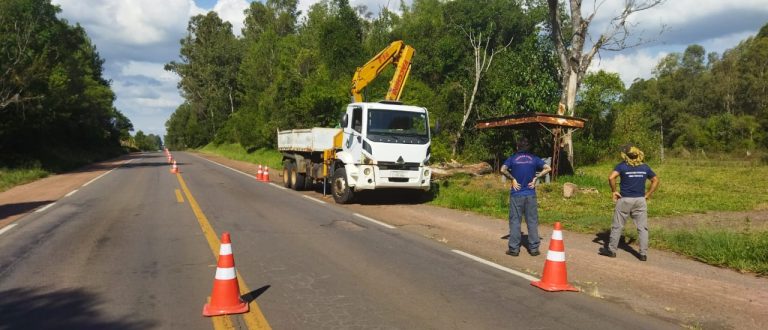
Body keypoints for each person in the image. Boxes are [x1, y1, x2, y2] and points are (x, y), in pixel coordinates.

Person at [599, 143, 660, 261]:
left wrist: (614, 191)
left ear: (626, 155)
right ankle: (643, 254)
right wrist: (648, 195)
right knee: (642, 228)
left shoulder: (622, 166)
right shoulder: (645, 167)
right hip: (640, 201)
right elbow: (655, 180)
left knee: (617, 226)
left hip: (625, 200)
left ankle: (611, 250)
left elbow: (611, 177)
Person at [500, 137, 551, 256]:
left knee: (515, 221)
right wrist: (536, 178)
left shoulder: (513, 158)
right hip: (530, 194)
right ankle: (534, 249)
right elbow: (548, 168)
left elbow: (503, 169)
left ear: (517, 147)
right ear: (528, 147)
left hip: (516, 194)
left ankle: (514, 249)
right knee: (532, 221)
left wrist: (512, 179)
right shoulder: (534, 158)